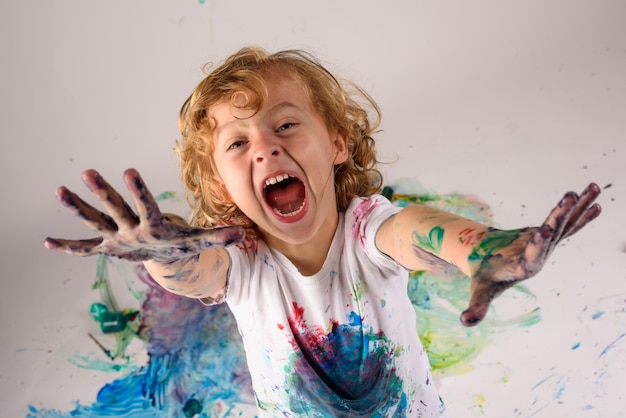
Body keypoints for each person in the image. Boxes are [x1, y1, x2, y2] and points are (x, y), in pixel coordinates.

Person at [44, 46, 602, 417]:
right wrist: (162, 255)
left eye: (285, 124)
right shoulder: (239, 262)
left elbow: (415, 230)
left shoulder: (368, 229)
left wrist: (486, 250)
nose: (265, 145)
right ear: (220, 188)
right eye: (238, 144)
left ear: (337, 144)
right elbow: (193, 271)